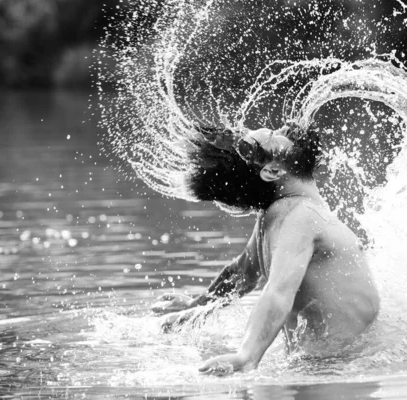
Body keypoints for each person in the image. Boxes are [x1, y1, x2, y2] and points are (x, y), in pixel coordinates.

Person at [152, 124, 380, 375]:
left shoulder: (275, 216)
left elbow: (242, 273)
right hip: (339, 375)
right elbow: (277, 291)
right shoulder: (301, 215)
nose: (283, 129)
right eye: (274, 136)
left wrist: (197, 305)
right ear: (273, 170)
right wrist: (246, 356)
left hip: (323, 368)